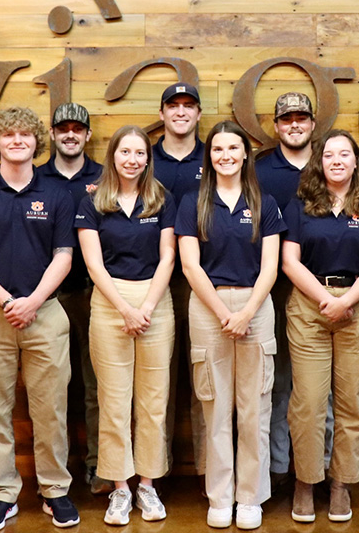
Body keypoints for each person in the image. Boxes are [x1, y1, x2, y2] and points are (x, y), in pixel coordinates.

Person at [0, 107, 81, 530]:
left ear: (35, 142)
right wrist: (10, 301)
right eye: (8, 135)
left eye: (25, 135)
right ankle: (4, 493)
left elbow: (64, 257)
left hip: (45, 314)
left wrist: (33, 302)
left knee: (51, 409)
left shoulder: (58, 196)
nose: (17, 141)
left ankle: (54, 491)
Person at [281, 130, 359, 524]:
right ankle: (306, 482)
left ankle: (341, 483)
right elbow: (289, 262)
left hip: (358, 310)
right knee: (309, 404)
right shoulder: (300, 204)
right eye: (329, 154)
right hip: (310, 307)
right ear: (319, 161)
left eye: (344, 154)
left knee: (351, 403)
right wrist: (326, 301)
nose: (337, 160)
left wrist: (346, 302)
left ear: (354, 161)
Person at [177, 121, 285, 530]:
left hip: (256, 307)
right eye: (218, 149)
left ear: (245, 155)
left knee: (254, 407)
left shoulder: (265, 202)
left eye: (233, 148)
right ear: (211, 156)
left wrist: (245, 312)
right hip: (209, 308)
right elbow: (189, 264)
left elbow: (271, 267)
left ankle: (250, 497)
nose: (225, 155)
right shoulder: (193, 202)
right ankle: (220, 497)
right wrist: (223, 314)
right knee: (215, 407)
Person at [75, 126, 177, 526]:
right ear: (113, 155)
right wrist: (124, 308)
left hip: (155, 300)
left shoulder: (161, 199)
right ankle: (120, 488)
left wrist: (147, 306)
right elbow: (93, 264)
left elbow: (169, 257)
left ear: (148, 159)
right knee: (113, 401)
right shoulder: (92, 202)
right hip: (109, 302)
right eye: (125, 152)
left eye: (140, 153)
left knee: (153, 401)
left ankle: (147, 486)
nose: (132, 159)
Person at [36, 103, 108, 495]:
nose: (70, 134)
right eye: (62, 128)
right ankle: (55, 471)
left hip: (94, 294)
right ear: (51, 133)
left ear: (87, 134)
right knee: (51, 387)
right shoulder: (36, 177)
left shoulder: (104, 176)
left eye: (77, 128)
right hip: (47, 298)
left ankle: (98, 464)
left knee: (96, 385)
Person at [254, 91, 323, 489]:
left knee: (318, 388)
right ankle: (281, 469)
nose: (294, 124)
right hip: (273, 289)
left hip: (324, 292)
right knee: (277, 381)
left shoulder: (330, 161)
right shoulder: (261, 171)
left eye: (301, 118)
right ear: (276, 126)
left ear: (312, 123)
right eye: (286, 119)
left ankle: (318, 468)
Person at [151, 82, 208, 478]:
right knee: (159, 383)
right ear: (163, 113)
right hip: (154, 282)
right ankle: (155, 472)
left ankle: (209, 472)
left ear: (199, 114)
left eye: (189, 106)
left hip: (204, 281)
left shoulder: (216, 155)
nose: (181, 112)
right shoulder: (143, 158)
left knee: (205, 382)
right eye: (174, 105)